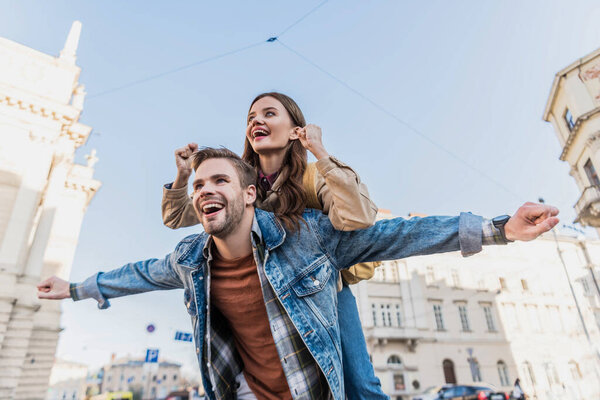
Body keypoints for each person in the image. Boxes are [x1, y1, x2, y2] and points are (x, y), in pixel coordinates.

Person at [38, 147, 559, 400]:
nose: (203, 190)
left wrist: (498, 229)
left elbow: (398, 234)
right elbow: (138, 274)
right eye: (197, 185)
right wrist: (77, 287)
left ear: (247, 193)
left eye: (218, 179)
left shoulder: (307, 235)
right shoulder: (190, 258)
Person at [162, 92, 387, 399]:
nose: (256, 120)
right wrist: (184, 175)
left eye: (269, 114)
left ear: (296, 130)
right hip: (263, 296)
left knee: (360, 385)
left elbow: (358, 217)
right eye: (251, 117)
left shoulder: (313, 177)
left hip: (323, 292)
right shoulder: (240, 183)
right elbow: (175, 217)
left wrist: (318, 149)